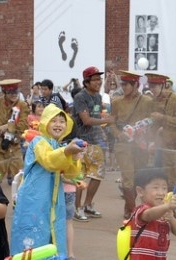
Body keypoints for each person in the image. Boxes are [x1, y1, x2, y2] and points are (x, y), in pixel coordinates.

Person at [10, 105, 84, 257]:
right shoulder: (39, 142)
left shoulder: (60, 145)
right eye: (53, 120)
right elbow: (49, 160)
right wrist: (67, 152)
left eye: (62, 121)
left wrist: (75, 158)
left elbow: (72, 174)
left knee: (52, 236)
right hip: (34, 200)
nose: (58, 124)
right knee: (32, 239)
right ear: (45, 123)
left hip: (53, 201)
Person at [145, 73, 176, 226]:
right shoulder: (154, 101)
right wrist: (151, 140)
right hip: (165, 144)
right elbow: (154, 124)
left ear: (163, 85)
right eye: (150, 86)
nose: (152, 89)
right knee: (170, 181)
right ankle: (171, 212)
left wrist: (162, 117)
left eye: (154, 86)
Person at [72, 66, 114, 221]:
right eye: (95, 79)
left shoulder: (97, 97)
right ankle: (77, 208)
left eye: (99, 79)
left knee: (98, 175)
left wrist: (103, 124)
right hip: (81, 143)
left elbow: (97, 115)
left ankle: (88, 205)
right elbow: (87, 120)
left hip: (96, 142)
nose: (99, 82)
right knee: (79, 177)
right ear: (86, 82)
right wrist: (105, 120)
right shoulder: (80, 97)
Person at [110, 71, 153, 219]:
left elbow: (152, 121)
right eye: (122, 84)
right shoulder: (116, 102)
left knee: (139, 176)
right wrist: (118, 134)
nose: (124, 87)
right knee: (127, 177)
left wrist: (145, 132)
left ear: (136, 85)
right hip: (123, 144)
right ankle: (132, 211)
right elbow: (112, 122)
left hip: (140, 144)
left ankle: (129, 207)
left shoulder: (147, 101)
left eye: (127, 84)